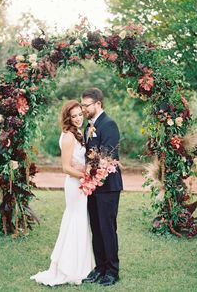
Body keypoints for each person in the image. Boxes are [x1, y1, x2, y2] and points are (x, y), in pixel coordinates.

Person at [30, 100, 95, 286]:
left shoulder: (79, 133)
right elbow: (66, 168)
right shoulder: (68, 137)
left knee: (82, 221)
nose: (77, 119)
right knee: (75, 220)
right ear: (68, 118)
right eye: (73, 116)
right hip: (75, 184)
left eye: (80, 115)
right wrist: (86, 175)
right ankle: (70, 268)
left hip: (81, 182)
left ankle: (83, 265)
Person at [81, 88, 123, 287]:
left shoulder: (109, 124)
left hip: (108, 187)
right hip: (92, 187)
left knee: (107, 228)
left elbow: (108, 156)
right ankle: (100, 267)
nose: (83, 109)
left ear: (98, 104)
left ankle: (112, 271)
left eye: (86, 105)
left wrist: (91, 170)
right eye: (82, 105)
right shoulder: (88, 126)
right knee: (96, 228)